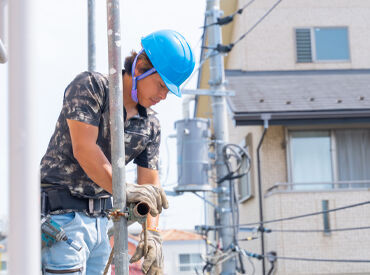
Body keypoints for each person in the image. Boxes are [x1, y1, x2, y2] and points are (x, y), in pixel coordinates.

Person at [40, 29, 195, 274]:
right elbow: (85, 149)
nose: (164, 96)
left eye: (169, 90)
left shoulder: (149, 125)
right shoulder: (91, 87)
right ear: (141, 66)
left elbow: (150, 190)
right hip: (62, 218)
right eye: (161, 85)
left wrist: (152, 234)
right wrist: (125, 190)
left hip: (103, 225)